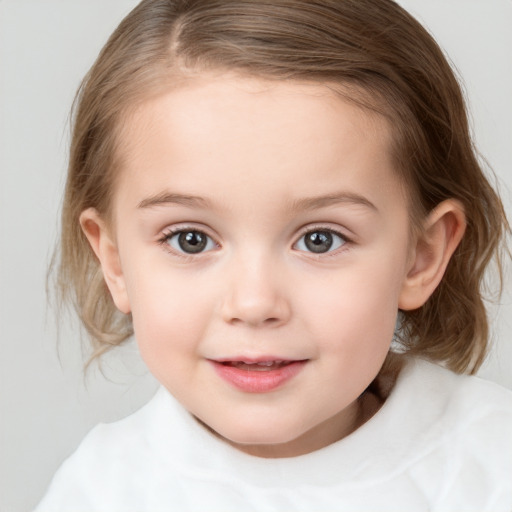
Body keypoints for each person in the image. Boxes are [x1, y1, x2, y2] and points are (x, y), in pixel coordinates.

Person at [35, 0, 512, 510]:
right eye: (190, 239)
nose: (255, 302)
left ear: (420, 255)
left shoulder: (490, 466)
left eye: (319, 239)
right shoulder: (101, 491)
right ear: (115, 262)